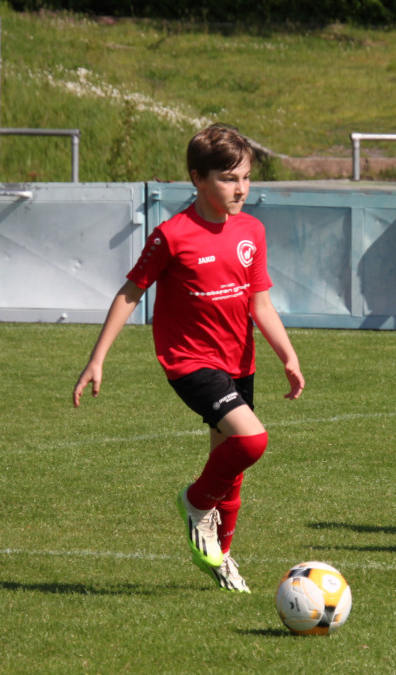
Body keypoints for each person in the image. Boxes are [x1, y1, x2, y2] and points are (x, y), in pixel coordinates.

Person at [72, 123, 305, 592]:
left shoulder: (251, 231)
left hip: (240, 361)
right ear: (198, 179)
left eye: (244, 178)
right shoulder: (171, 236)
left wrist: (288, 355)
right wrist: (97, 358)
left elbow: (260, 302)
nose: (240, 188)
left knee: (232, 465)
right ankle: (195, 503)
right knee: (253, 441)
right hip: (190, 362)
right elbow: (129, 293)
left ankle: (221, 559)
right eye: (227, 179)